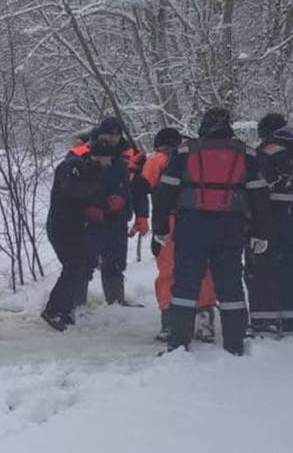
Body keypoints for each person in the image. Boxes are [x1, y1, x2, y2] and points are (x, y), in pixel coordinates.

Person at [152, 108, 271, 355]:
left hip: (191, 226)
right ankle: (235, 346)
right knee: (230, 288)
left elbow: (164, 193)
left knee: (184, 287)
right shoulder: (245, 155)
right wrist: (261, 232)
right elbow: (260, 197)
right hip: (230, 228)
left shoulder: (185, 153)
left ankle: (178, 345)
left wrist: (161, 227)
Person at [247, 113, 293, 338]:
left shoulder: (267, 151)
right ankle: (290, 321)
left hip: (271, 217)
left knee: (261, 268)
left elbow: (256, 186)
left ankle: (264, 322)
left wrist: (251, 219)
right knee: (289, 267)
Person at [142, 127, 217, 343]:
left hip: (170, 221)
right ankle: (205, 319)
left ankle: (170, 321)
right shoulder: (199, 157)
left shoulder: (158, 160)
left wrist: (136, 166)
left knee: (169, 270)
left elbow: (140, 186)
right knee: (203, 269)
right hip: (202, 219)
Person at [41, 136, 123, 331]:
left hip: (76, 227)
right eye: (106, 160)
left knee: (81, 266)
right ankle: (53, 310)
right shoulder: (72, 167)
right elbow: (74, 191)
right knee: (74, 266)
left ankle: (65, 310)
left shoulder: (93, 171)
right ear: (98, 157)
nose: (108, 164)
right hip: (62, 226)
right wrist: (103, 203)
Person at [71, 117, 137, 306]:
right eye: (109, 134)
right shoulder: (82, 152)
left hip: (118, 217)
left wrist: (141, 214)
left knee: (115, 263)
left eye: (117, 134)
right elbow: (73, 183)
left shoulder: (128, 154)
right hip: (91, 218)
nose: (113, 138)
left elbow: (136, 186)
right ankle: (77, 304)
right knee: (84, 263)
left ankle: (116, 303)